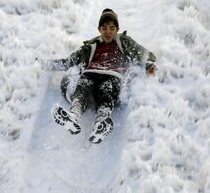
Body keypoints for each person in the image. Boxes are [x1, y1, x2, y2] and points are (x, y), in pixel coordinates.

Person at [40, 9, 157, 143]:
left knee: (106, 93)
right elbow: (69, 62)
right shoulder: (91, 45)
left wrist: (148, 64)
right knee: (82, 90)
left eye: (112, 28)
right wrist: (47, 64)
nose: (108, 32)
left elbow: (143, 55)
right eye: (104, 28)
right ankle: (73, 116)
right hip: (90, 74)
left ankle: (101, 123)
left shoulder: (123, 41)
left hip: (113, 76)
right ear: (99, 29)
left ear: (117, 29)